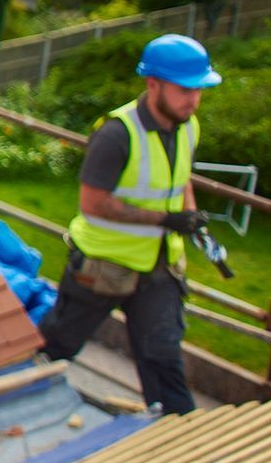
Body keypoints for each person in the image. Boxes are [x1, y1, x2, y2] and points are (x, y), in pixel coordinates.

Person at [40, 33, 222, 413]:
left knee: (163, 355)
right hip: (104, 265)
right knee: (59, 344)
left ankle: (177, 433)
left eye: (199, 90)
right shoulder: (116, 135)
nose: (194, 99)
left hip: (157, 267)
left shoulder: (188, 126)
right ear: (152, 84)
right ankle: (18, 403)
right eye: (184, 89)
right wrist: (166, 218)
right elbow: (92, 204)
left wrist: (190, 218)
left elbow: (181, 175)